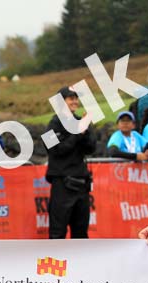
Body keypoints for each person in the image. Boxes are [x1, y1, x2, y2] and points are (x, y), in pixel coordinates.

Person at [44, 87, 97, 239]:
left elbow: (91, 148)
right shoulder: (52, 124)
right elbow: (56, 151)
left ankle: (81, 263)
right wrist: (77, 133)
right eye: (70, 98)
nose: (74, 101)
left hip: (82, 184)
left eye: (76, 98)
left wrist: (85, 131)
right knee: (57, 232)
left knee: (81, 233)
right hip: (62, 184)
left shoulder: (81, 121)